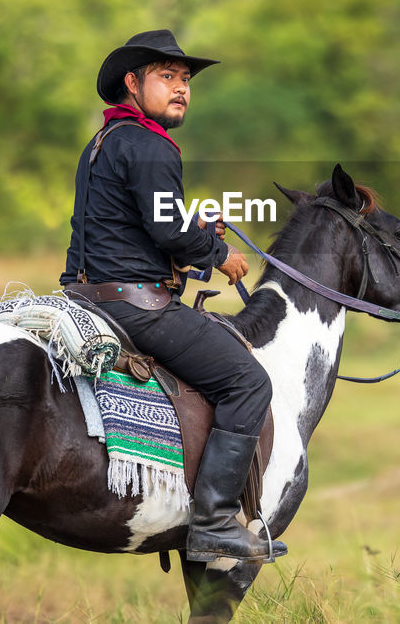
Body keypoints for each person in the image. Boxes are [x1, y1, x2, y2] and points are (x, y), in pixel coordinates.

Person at [60, 29, 285, 563]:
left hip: (88, 295)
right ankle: (213, 522)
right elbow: (169, 235)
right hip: (137, 308)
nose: (182, 88)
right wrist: (216, 252)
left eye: (185, 80)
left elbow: (113, 229)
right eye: (168, 76)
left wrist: (193, 227)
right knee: (248, 381)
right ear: (132, 83)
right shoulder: (152, 146)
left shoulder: (103, 144)